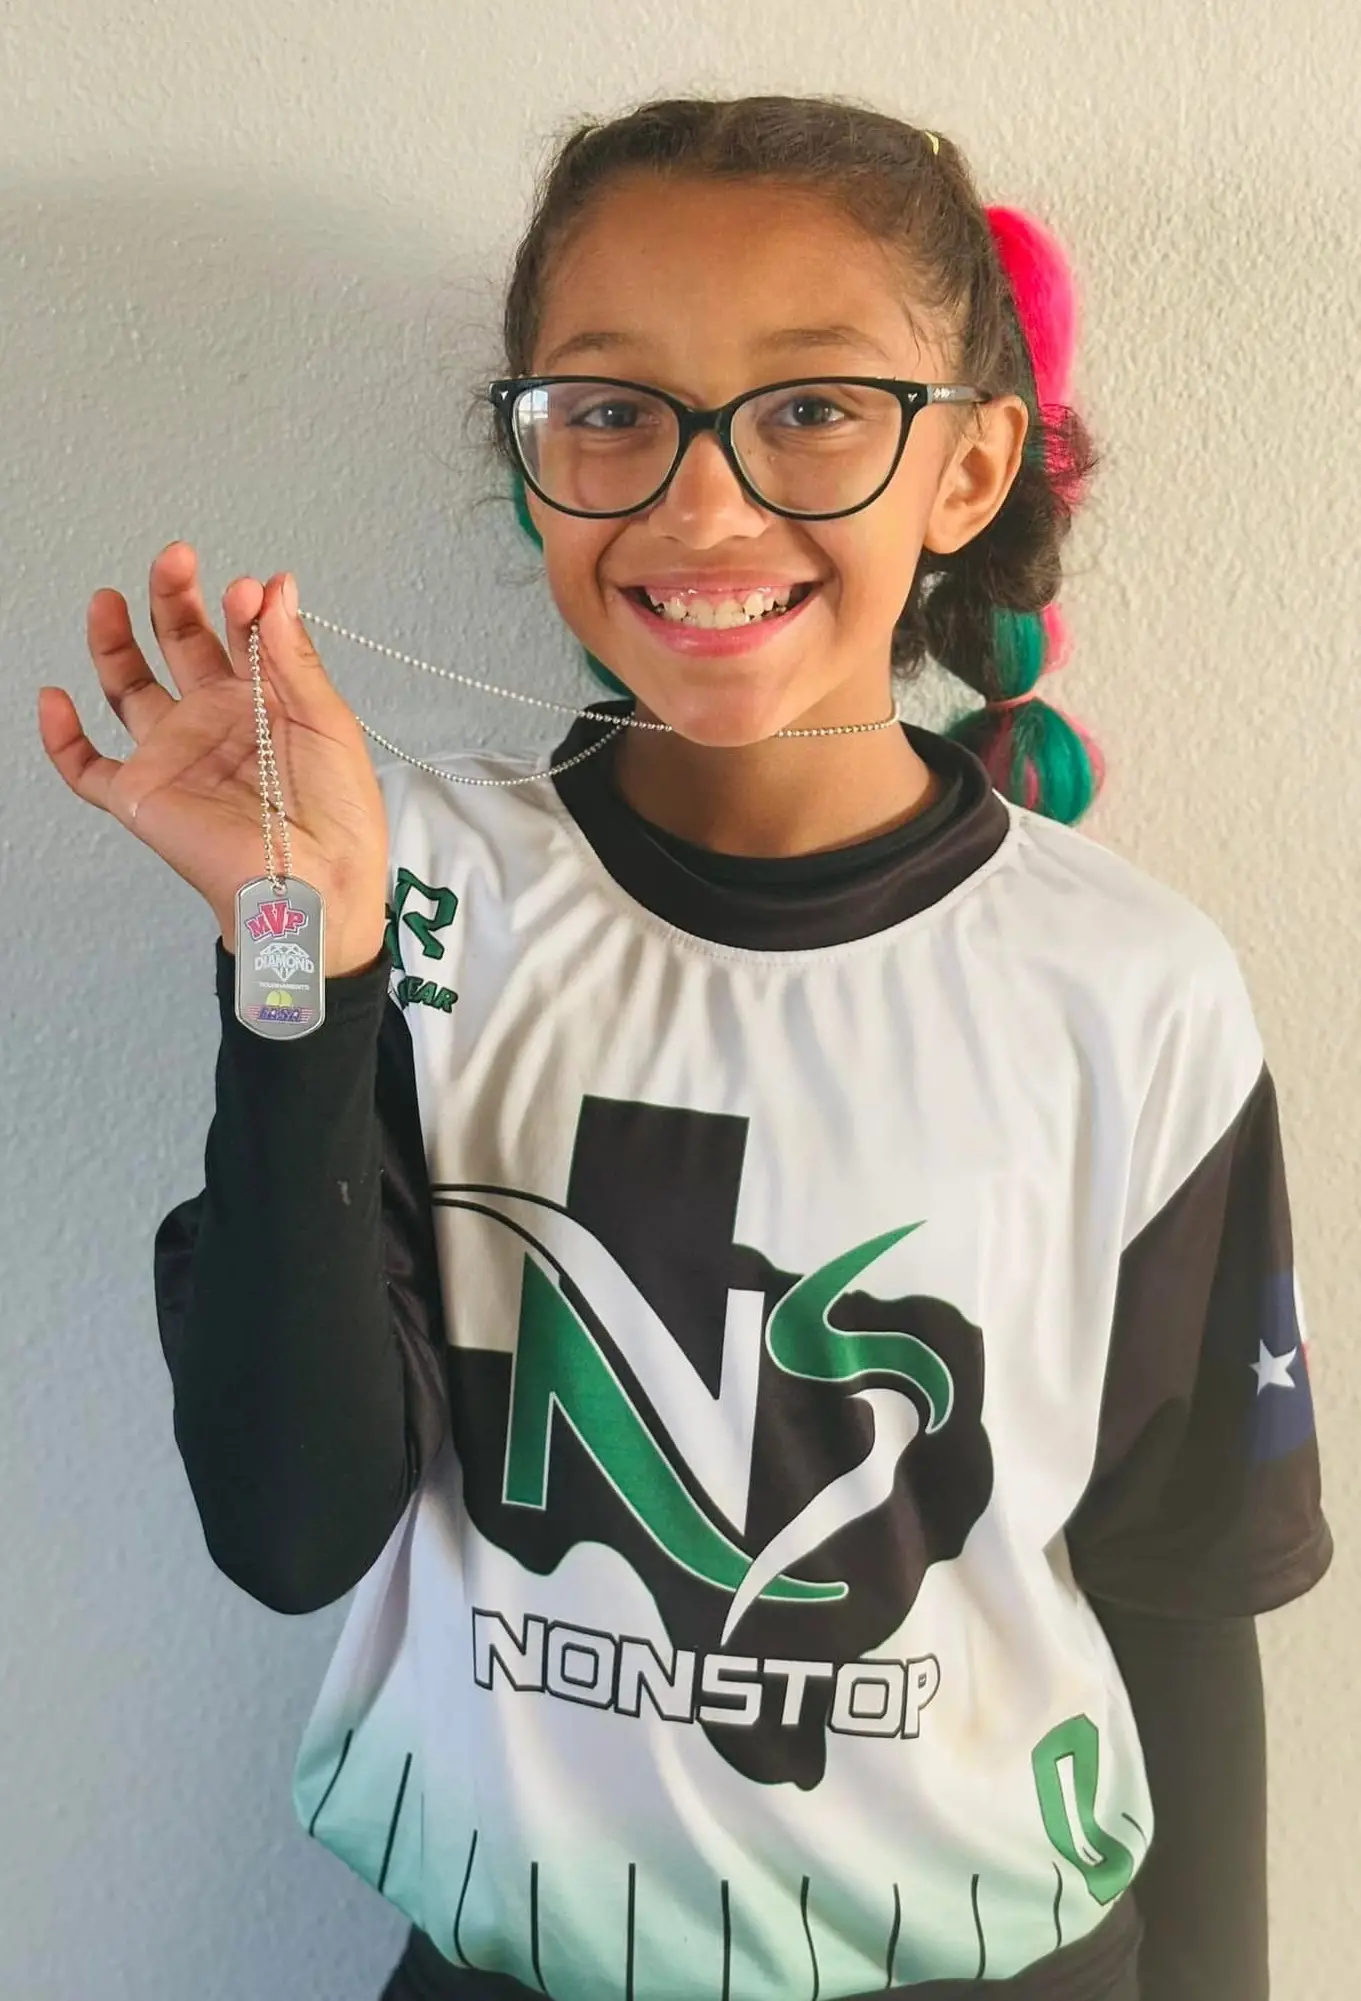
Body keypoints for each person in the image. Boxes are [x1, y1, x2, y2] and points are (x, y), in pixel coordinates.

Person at [37, 93, 1331, 2001]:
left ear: (970, 468)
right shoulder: (397, 887)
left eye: (812, 408)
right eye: (612, 410)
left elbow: (1186, 1585)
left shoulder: (1128, 988)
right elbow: (292, 1527)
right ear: (532, 457)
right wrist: (292, 950)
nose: (700, 503)